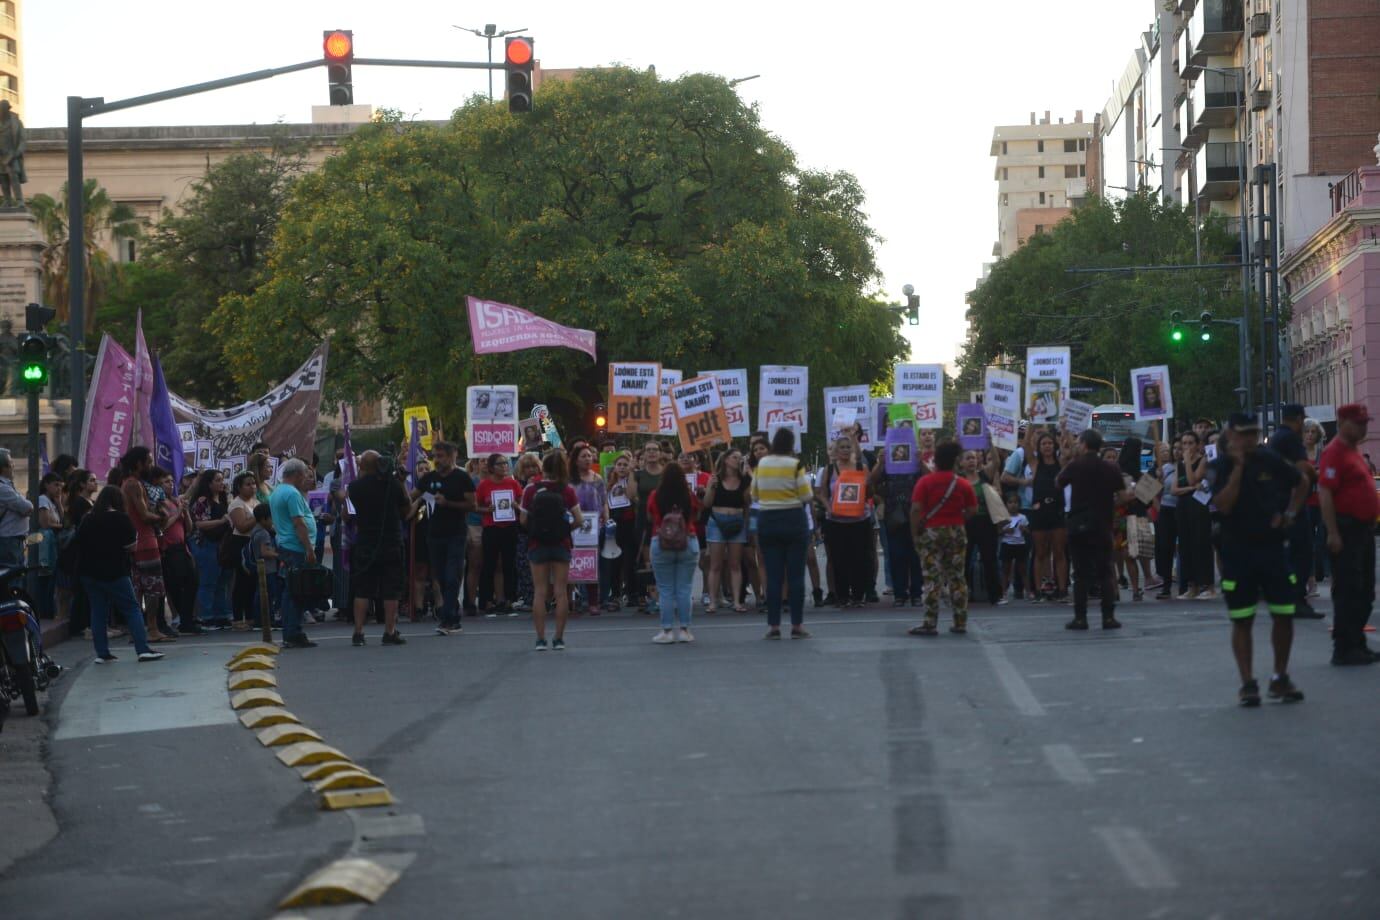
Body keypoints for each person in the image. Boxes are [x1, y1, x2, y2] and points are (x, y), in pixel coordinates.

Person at [1207, 414, 1308, 704]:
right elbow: (1223, 506)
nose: (1249, 440)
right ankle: (1247, 682)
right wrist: (1238, 468)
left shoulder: (1270, 459)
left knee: (1284, 614)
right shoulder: (1219, 466)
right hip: (1237, 551)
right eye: (1243, 434)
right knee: (1242, 619)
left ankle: (1280, 677)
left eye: (1254, 434)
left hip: (1273, 549)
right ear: (1230, 435)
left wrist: (1290, 514)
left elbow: (1301, 481)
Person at [73, 486, 164, 663]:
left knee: (98, 611)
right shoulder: (121, 518)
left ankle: (102, 653)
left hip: (88, 572)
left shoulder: (87, 519)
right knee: (131, 608)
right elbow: (132, 547)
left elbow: (79, 543)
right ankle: (142, 649)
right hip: (115, 571)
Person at [1318, 403, 1380, 666]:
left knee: (1364, 590)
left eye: (1366, 422)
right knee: (1348, 589)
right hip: (1346, 528)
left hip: (1362, 529)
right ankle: (1344, 647)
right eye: (1359, 422)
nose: (1364, 427)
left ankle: (1356, 642)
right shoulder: (1335, 452)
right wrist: (1333, 532)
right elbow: (1326, 492)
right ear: (1343, 423)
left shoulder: (1353, 450)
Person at [1056, 429, 1129, 631]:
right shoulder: (1111, 468)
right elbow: (1122, 497)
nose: (1077, 445)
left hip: (1079, 525)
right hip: (1102, 524)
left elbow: (1059, 482)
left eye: (1079, 442)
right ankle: (1108, 617)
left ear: (1085, 445)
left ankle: (1080, 618)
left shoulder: (1076, 465)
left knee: (1080, 573)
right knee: (1105, 571)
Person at [909, 440, 978, 636]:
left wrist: (915, 534)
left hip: (931, 533)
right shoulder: (962, 483)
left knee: (932, 578)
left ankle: (930, 622)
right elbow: (973, 509)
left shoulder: (925, 482)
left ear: (936, 461)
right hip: (956, 532)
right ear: (955, 461)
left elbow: (915, 509)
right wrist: (957, 519)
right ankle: (960, 621)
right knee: (957, 577)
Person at [751, 427, 813, 639]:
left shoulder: (762, 464)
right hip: (793, 519)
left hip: (768, 520)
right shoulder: (795, 465)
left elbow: (754, 494)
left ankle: (773, 626)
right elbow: (806, 495)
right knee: (795, 576)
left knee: (773, 575)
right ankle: (797, 625)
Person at [520, 450, 584, 651]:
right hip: (561, 544)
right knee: (561, 591)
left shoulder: (531, 489)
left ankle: (540, 639)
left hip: (537, 544)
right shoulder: (567, 490)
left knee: (540, 592)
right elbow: (580, 520)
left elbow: (523, 520)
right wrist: (565, 530)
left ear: (543, 467)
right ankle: (558, 638)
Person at [346, 450, 410, 647]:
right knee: (392, 590)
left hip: (365, 542)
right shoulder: (393, 485)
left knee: (363, 590)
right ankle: (389, 631)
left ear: (362, 466)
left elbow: (350, 506)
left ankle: (358, 632)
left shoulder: (355, 487)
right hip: (391, 541)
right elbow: (406, 509)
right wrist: (399, 481)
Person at [413, 441, 476, 636]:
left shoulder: (462, 478)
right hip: (434, 534)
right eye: (435, 456)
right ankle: (450, 612)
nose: (437, 460)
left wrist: (447, 503)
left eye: (441, 456)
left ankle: (450, 618)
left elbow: (471, 505)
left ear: (451, 456)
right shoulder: (429, 478)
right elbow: (411, 496)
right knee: (439, 577)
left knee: (452, 575)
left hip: (456, 533)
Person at [1267, 404, 1323, 619]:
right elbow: (1304, 467)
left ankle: (1289, 596)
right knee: (1302, 551)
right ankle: (1297, 599)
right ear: (1299, 419)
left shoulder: (1277, 437)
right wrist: (1318, 477)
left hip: (1282, 500)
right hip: (1292, 502)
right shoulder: (1290, 438)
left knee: (1291, 552)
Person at [120, 447, 173, 643]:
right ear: (138, 464)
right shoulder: (133, 484)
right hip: (144, 541)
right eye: (148, 462)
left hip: (139, 541)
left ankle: (142, 630)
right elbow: (143, 515)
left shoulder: (131, 483)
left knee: (141, 588)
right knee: (153, 588)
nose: (151, 466)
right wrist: (161, 516)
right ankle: (151, 628)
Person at [270, 458, 319, 649]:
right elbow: (298, 522)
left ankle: (293, 631)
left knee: (293, 590)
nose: (306, 478)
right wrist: (308, 549)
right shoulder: (291, 493)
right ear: (297, 474)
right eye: (305, 474)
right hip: (295, 548)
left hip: (287, 545)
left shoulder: (278, 491)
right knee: (295, 591)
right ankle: (292, 632)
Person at [819, 436, 872, 608]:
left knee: (860, 558)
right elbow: (821, 493)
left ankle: (858, 595)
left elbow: (870, 490)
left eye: (848, 447)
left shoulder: (861, 467)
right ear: (835, 450)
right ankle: (842, 596)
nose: (845, 450)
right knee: (839, 559)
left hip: (859, 520)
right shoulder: (829, 469)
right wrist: (828, 507)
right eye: (841, 447)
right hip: (836, 521)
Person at [704, 448, 750, 613]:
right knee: (715, 565)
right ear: (725, 460)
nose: (738, 460)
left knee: (735, 564)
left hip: (737, 522)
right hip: (717, 521)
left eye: (739, 457)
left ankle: (737, 601)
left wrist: (750, 479)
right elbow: (707, 504)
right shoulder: (716, 478)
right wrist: (710, 487)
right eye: (734, 457)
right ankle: (713, 601)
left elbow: (747, 502)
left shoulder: (744, 480)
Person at [476, 453, 522, 616]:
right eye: (500, 464)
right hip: (491, 528)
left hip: (509, 526)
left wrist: (517, 506)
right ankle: (487, 601)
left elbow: (521, 503)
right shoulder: (484, 485)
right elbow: (475, 506)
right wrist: (485, 510)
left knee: (509, 564)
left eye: (505, 463)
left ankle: (509, 600)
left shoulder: (512, 483)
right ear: (491, 467)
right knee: (489, 564)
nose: (504, 466)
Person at [154, 468, 199, 636]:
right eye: (166, 481)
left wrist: (185, 512)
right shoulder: (159, 504)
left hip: (182, 547)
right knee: (175, 585)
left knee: (192, 582)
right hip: (169, 549)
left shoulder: (175, 501)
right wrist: (178, 512)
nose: (170, 484)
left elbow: (188, 529)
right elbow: (163, 526)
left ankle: (187, 618)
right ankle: (183, 619)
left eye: (172, 481)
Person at [188, 469, 233, 628]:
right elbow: (199, 524)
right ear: (209, 483)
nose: (222, 483)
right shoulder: (202, 501)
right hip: (206, 543)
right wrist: (221, 522)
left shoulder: (223, 499)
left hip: (222, 544)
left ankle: (221, 614)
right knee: (208, 581)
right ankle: (206, 616)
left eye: (222, 480)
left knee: (222, 580)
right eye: (218, 480)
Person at [1026, 431, 1068, 602]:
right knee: (1040, 552)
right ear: (1039, 447)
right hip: (1040, 511)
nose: (1047, 446)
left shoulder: (1061, 462)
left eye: (1050, 443)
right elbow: (1026, 445)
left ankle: (1063, 589)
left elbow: (1070, 452)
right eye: (1044, 444)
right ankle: (1037, 590)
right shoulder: (1035, 464)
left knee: (1059, 552)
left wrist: (1066, 429)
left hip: (1057, 511)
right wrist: (1030, 421)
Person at [1173, 431, 1215, 600]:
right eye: (1184, 443)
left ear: (1198, 444)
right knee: (1186, 545)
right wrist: (1190, 488)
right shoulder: (1180, 463)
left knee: (1201, 544)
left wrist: (1189, 462)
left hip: (1199, 505)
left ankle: (1208, 584)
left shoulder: (1203, 460)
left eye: (1191, 443)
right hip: (1183, 506)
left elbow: (1192, 479)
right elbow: (1174, 489)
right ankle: (1192, 585)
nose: (1187, 447)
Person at [1116, 437, 1158, 601]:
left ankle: (1142, 581)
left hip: (1130, 515)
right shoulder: (1132, 474)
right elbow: (1144, 498)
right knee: (1139, 552)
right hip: (1135, 515)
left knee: (1134, 553)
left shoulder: (1123, 473)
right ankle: (1144, 580)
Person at [961, 449, 1004, 606]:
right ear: (961, 462)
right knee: (964, 561)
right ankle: (962, 594)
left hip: (986, 523)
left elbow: (997, 463)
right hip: (966, 523)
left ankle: (995, 595)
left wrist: (990, 443)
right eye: (968, 458)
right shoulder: (959, 479)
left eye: (973, 458)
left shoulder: (984, 475)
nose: (971, 461)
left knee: (990, 560)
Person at [61, 469, 100, 638]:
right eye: (91, 480)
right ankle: (82, 626)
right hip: (81, 552)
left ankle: (88, 624)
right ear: (82, 484)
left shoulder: (88, 502)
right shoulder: (80, 504)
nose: (95, 483)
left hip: (87, 551)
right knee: (83, 590)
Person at [571, 445, 608, 615]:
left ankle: (593, 601)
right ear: (576, 460)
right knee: (574, 562)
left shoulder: (598, 478)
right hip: (573, 525)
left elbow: (604, 501)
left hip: (593, 526)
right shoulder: (569, 480)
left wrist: (606, 519)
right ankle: (573, 600)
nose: (587, 459)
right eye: (583, 456)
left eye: (589, 456)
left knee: (592, 562)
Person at [225, 472, 260, 631]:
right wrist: (259, 516)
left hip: (253, 543)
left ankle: (251, 616)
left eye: (254, 483)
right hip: (240, 544)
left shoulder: (256, 502)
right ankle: (238, 618)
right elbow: (242, 526)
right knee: (241, 583)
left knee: (252, 583)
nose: (252, 487)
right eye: (248, 484)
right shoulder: (236, 504)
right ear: (239, 487)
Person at [1152, 441, 1178, 600]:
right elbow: (1146, 492)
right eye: (1172, 449)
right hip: (1166, 511)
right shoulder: (1161, 470)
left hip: (1183, 510)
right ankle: (1166, 584)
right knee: (1165, 548)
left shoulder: (1186, 466)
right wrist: (1158, 480)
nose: (1168, 453)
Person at [0, 448, 32, 566]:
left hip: (12, 541)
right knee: (11, 579)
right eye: (11, 463)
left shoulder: (6, 485)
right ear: (3, 468)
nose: (14, 466)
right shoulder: (3, 488)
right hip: (8, 541)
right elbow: (27, 507)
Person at [998, 492, 1029, 604]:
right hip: (1007, 544)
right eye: (1010, 502)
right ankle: (1003, 593)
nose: (1013, 505)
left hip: (1020, 544)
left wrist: (1023, 529)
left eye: (1015, 502)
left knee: (1023, 569)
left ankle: (1028, 592)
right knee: (1005, 569)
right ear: (1006, 504)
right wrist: (1005, 530)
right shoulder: (1003, 518)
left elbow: (1028, 531)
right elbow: (999, 531)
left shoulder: (1023, 517)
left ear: (1019, 504)